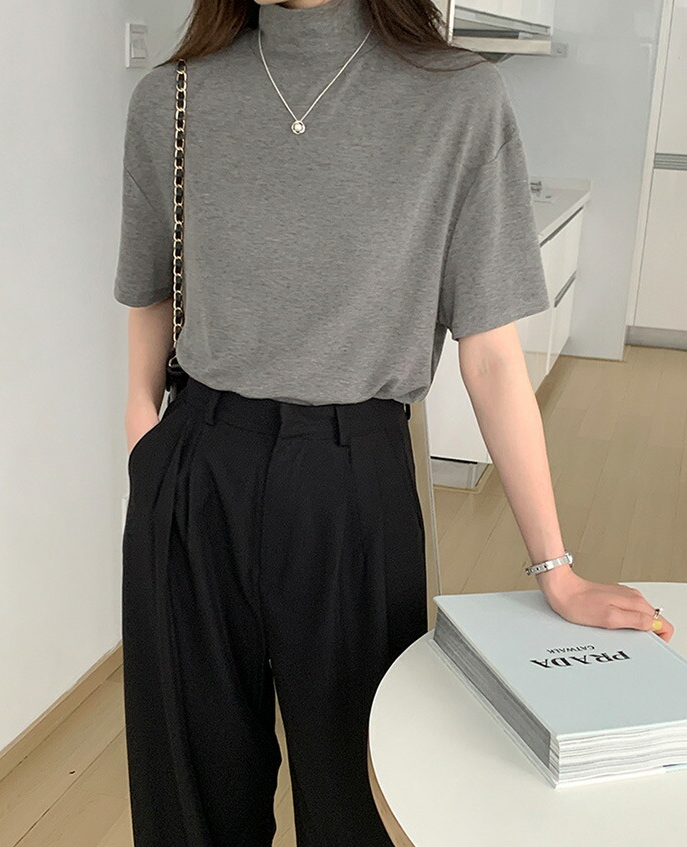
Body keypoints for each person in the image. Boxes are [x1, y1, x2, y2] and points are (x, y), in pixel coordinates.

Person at [113, 0, 674, 844]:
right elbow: (153, 287)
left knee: (358, 795)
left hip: (355, 478)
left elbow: (492, 359)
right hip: (196, 469)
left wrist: (556, 568)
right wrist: (145, 446)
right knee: (188, 799)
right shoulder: (174, 97)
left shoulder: (458, 99)